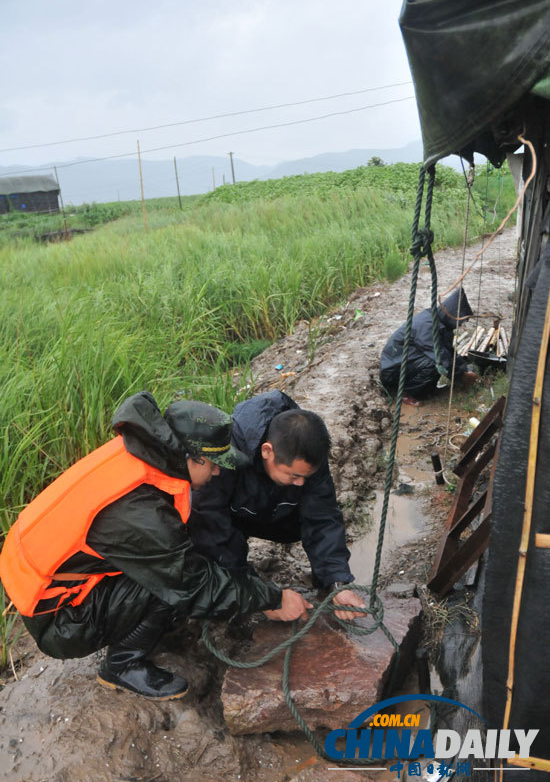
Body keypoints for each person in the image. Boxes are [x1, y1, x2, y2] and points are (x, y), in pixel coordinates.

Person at [0, 391, 312, 700]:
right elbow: (192, 584)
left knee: (181, 556)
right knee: (172, 584)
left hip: (48, 581)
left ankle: (133, 626)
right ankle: (121, 666)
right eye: (214, 464)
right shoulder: (138, 511)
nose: (218, 472)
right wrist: (271, 598)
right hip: (57, 619)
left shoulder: (142, 454)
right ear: (192, 457)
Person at [187, 390, 364, 621]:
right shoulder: (228, 451)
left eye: (305, 477)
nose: (301, 483)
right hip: (232, 514)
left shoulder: (307, 452)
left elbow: (322, 517)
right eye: (293, 476)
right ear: (267, 451)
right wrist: (258, 598)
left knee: (317, 520)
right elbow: (210, 523)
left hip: (276, 513)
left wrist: (337, 583)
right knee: (211, 546)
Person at [379, 287, 479, 405]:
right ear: (452, 315)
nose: (460, 325)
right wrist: (461, 376)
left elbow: (449, 351)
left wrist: (464, 369)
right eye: (460, 321)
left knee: (440, 361)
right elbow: (441, 357)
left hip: (406, 362)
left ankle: (426, 390)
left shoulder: (441, 324)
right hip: (393, 370)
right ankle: (408, 393)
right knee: (435, 363)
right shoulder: (427, 326)